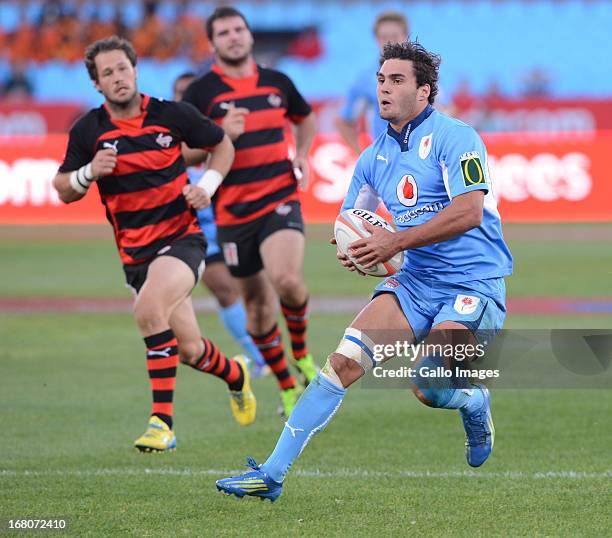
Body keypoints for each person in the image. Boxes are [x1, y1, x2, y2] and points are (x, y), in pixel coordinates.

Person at [215, 41, 513, 502]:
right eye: (381, 81)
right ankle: (271, 475)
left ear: (425, 91)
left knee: (429, 386)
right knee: (340, 364)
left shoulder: (457, 138)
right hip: (414, 283)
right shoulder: (373, 158)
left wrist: (393, 242)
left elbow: (470, 211)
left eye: (397, 81)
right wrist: (353, 249)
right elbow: (350, 221)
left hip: (472, 283)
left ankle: (474, 400)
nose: (385, 89)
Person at [52, 36, 256, 453]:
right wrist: (87, 172)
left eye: (122, 68)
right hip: (134, 255)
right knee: (190, 350)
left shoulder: (171, 114)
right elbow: (63, 189)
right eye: (107, 73)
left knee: (148, 311)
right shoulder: (88, 130)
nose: (117, 77)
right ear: (96, 84)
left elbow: (221, 145)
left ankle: (162, 424)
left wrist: (210, 186)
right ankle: (236, 375)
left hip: (182, 240)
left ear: (135, 70)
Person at [182, 7, 319, 416]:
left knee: (287, 280)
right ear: (213, 44)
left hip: (279, 196)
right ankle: (287, 386)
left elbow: (306, 118)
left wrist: (304, 155)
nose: (234, 37)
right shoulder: (202, 93)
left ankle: (303, 356)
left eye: (239, 29)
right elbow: (183, 151)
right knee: (258, 309)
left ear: (250, 36)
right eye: (223, 32)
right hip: (233, 213)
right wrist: (222, 137)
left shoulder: (278, 82)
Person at [172, 72, 269, 378]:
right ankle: (259, 358)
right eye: (180, 94)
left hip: (231, 224)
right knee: (224, 288)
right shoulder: (170, 140)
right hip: (194, 231)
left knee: (254, 293)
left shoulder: (223, 135)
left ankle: (268, 355)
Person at [335, 11, 409, 155]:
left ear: (405, 37)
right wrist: (364, 157)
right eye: (384, 37)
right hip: (387, 162)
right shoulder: (366, 81)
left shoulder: (423, 73)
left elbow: (446, 111)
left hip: (423, 162)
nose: (389, 42)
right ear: (376, 39)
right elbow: (344, 122)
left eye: (394, 36)